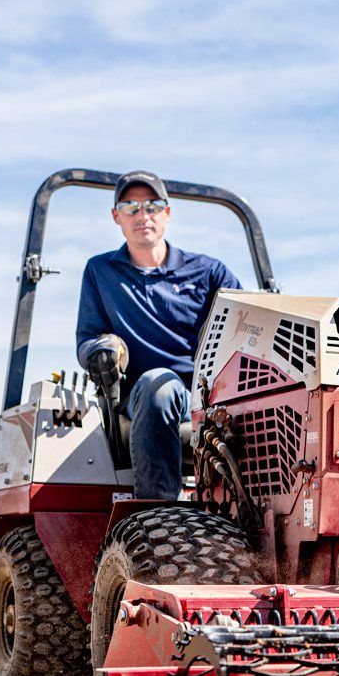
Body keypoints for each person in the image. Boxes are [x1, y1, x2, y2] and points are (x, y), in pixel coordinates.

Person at [76, 170, 241, 500]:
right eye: (131, 207)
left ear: (167, 212)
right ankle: (159, 516)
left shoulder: (209, 272)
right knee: (161, 385)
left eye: (152, 206)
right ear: (116, 217)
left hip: (209, 395)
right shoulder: (101, 271)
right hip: (143, 395)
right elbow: (87, 339)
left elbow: (248, 326)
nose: (142, 215)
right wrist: (103, 348)